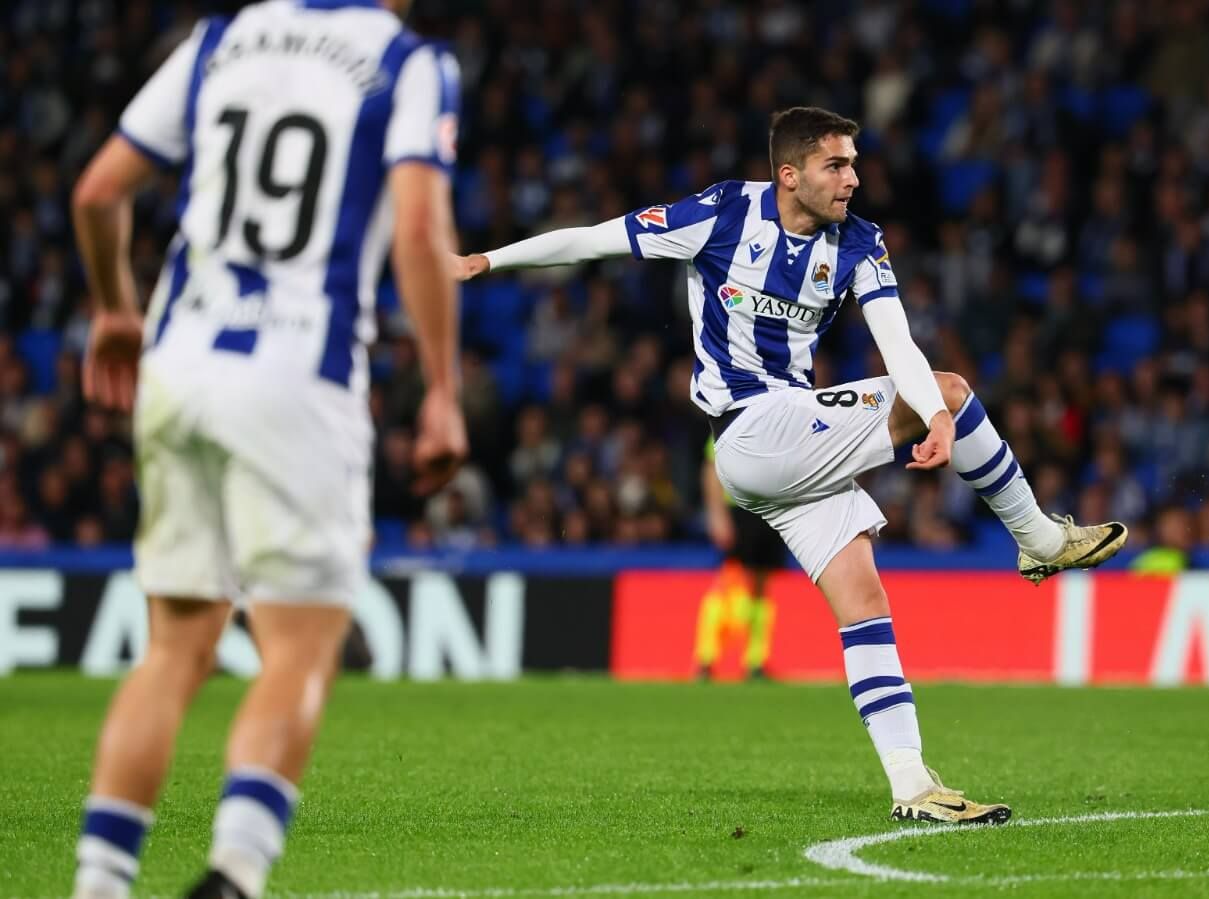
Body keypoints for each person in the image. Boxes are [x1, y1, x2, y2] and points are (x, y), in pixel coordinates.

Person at [458, 107, 1127, 825]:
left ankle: (912, 784)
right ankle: (1041, 540)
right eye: (836, 165)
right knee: (956, 389)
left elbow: (895, 338)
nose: (853, 178)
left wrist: (932, 412)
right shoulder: (719, 214)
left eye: (854, 164)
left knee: (865, 602)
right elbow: (597, 239)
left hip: (792, 444)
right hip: (749, 432)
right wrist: (489, 260)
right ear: (790, 174)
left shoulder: (860, 242)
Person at [69, 2, 465, 896]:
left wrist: (113, 306)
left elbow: (97, 192)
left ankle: (98, 882)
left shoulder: (221, 40)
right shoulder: (408, 63)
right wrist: (442, 388)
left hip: (178, 364)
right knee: (298, 644)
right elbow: (415, 230)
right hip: (298, 374)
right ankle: (235, 874)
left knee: (173, 649)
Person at [695, 437, 782, 680]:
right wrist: (716, 514)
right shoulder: (733, 411)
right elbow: (712, 467)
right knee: (728, 585)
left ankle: (755, 661)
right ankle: (706, 658)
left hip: (772, 509)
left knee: (761, 587)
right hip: (739, 511)